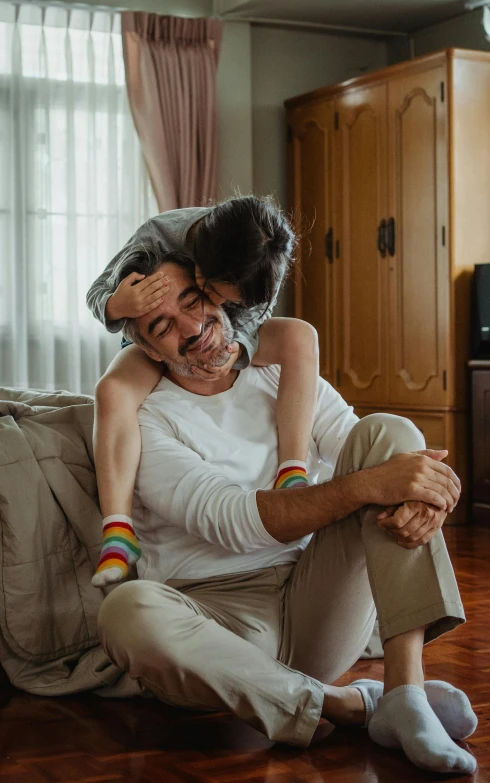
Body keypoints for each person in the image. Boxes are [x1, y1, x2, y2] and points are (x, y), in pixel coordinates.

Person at [97, 251, 477, 776]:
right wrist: (372, 484)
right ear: (146, 348)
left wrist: (423, 488)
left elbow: (370, 450)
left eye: (194, 300)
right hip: (219, 628)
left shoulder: (281, 376)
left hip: (315, 601)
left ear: (218, 295)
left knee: (393, 434)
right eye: (163, 326)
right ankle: (351, 704)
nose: (193, 328)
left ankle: (407, 690)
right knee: (125, 610)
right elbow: (234, 519)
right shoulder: (150, 419)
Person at [86, 196, 319, 587]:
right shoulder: (158, 235)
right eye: (212, 292)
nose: (221, 303)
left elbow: (253, 316)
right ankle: (118, 531)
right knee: (112, 390)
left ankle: (291, 473)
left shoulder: (260, 265)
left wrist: (240, 346)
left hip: (231, 333)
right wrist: (115, 303)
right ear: (202, 264)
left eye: (230, 300)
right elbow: (97, 292)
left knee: (300, 336)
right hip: (149, 340)